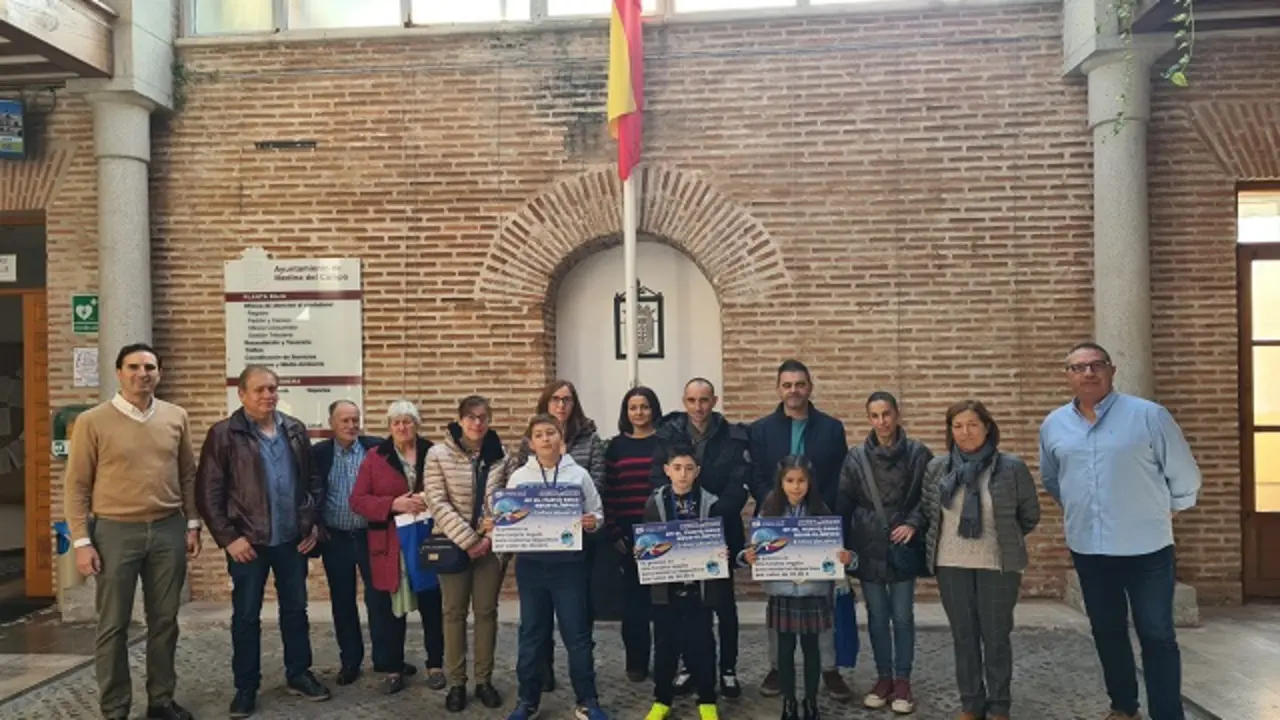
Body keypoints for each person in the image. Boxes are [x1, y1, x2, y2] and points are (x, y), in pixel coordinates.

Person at [1039, 342, 1201, 720]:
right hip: (1090, 550)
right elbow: (1053, 479)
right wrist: (1084, 511)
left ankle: (1167, 714)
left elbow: (1184, 474)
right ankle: (1124, 708)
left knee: (1157, 635)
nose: (1088, 373)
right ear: (1067, 376)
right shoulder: (1053, 425)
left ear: (1112, 370)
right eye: (1078, 367)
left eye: (1097, 365)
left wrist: (1167, 509)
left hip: (1147, 549)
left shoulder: (1149, 416)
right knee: (1107, 631)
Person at [63, 343, 200, 720]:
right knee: (113, 625)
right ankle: (115, 708)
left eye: (150, 367)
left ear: (160, 373)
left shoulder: (176, 416)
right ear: (119, 372)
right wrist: (82, 541)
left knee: (165, 621)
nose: (143, 374)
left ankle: (161, 701)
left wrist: (192, 523)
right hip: (114, 532)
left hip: (168, 529)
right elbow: (76, 486)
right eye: (134, 367)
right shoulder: (92, 421)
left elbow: (188, 473)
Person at [196, 365, 330, 717]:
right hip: (248, 544)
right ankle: (246, 687)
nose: (268, 395)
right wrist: (229, 538)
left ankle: (299, 673)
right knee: (246, 616)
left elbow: (314, 483)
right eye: (259, 389)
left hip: (291, 541)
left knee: (296, 611)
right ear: (241, 394)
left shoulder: (295, 430)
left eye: (272, 388)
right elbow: (208, 493)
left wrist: (310, 525)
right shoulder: (224, 434)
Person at [921, 400, 1041, 720]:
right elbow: (928, 511)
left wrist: (1002, 538)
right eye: (958, 426)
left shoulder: (1011, 468)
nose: (965, 432)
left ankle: (999, 705)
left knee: (996, 636)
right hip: (950, 563)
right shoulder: (937, 468)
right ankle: (971, 705)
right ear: (950, 431)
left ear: (987, 427)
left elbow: (1029, 514)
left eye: (973, 424)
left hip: (997, 565)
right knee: (964, 637)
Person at [749, 360, 851, 700]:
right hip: (776, 521)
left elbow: (839, 474)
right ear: (778, 388)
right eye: (787, 384)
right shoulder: (761, 430)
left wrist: (821, 513)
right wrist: (773, 504)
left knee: (822, 600)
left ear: (809, 387)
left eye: (800, 384)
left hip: (818, 522)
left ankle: (829, 669)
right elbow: (757, 475)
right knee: (779, 601)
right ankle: (778, 668)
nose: (794, 390)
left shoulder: (832, 428)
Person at [502, 414, 609, 720]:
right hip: (532, 567)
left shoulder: (579, 475)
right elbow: (508, 516)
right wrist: (498, 524)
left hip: (569, 567)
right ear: (531, 442)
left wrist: (592, 522)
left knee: (577, 636)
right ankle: (527, 700)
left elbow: (597, 513)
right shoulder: (519, 478)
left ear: (561, 437)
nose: (546, 439)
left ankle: (587, 700)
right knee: (532, 634)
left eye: (551, 432)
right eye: (539, 434)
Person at [650, 378, 751, 699]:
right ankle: (689, 666)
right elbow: (657, 477)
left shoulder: (733, 437)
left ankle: (728, 669)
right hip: (677, 532)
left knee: (723, 604)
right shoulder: (667, 435)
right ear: (684, 402)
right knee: (686, 606)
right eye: (692, 400)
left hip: (719, 528)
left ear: (714, 401)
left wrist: (713, 514)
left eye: (704, 400)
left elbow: (739, 482)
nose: (698, 407)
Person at [836, 391, 933, 713]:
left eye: (887, 414)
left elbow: (929, 496)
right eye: (875, 416)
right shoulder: (856, 458)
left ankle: (903, 680)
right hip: (867, 543)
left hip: (902, 542)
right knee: (877, 616)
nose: (882, 422)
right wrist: (841, 545)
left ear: (897, 414)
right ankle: (883, 678)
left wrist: (914, 523)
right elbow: (844, 502)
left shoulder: (918, 453)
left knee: (902, 615)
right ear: (869, 419)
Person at [744, 455, 855, 720]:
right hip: (781, 591)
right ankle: (789, 702)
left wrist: (848, 558)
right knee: (784, 651)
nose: (796, 487)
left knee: (812, 650)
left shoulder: (821, 511)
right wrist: (747, 556)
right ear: (781, 482)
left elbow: (838, 551)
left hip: (813, 592)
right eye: (790, 481)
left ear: (810, 482)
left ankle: (811, 701)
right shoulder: (768, 512)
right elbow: (751, 547)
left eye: (801, 480)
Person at [348, 400, 445, 695]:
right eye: (396, 422)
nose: (402, 427)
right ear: (389, 427)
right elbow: (358, 500)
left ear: (417, 424)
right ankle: (393, 668)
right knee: (391, 610)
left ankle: (436, 665)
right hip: (391, 544)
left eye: (407, 421)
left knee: (432, 604)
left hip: (429, 538)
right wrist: (392, 504)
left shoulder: (433, 452)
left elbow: (448, 490)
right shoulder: (376, 457)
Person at [424, 395, 508, 712]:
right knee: (453, 613)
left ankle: (484, 680)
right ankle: (457, 683)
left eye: (483, 417)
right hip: (453, 545)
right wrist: (469, 540)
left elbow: (507, 502)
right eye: (471, 417)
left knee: (486, 613)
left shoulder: (501, 455)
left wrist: (488, 538)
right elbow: (437, 502)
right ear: (460, 420)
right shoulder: (438, 454)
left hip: (489, 548)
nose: (477, 423)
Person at [642, 443, 727, 720]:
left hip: (699, 589)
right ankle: (662, 700)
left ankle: (707, 699)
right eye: (677, 468)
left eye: (689, 468)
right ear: (667, 470)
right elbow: (647, 540)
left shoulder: (710, 503)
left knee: (702, 645)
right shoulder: (654, 503)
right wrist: (641, 552)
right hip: (665, 589)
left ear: (697, 471)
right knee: (664, 646)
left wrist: (722, 552)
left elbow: (722, 539)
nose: (682, 474)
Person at [311, 400, 385, 685]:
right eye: (345, 420)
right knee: (342, 602)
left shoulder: (376, 448)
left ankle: (385, 658)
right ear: (332, 423)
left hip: (371, 535)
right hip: (336, 538)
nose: (351, 425)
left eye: (355, 419)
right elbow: (310, 492)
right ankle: (350, 661)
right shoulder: (319, 453)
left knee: (379, 599)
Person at [603, 386, 663, 683]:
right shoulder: (615, 447)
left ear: (654, 409)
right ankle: (636, 662)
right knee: (634, 605)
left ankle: (667, 661)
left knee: (664, 605)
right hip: (627, 536)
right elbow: (608, 492)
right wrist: (615, 532)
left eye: (644, 406)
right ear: (626, 412)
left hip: (663, 533)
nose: (639, 413)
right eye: (633, 407)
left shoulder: (665, 443)